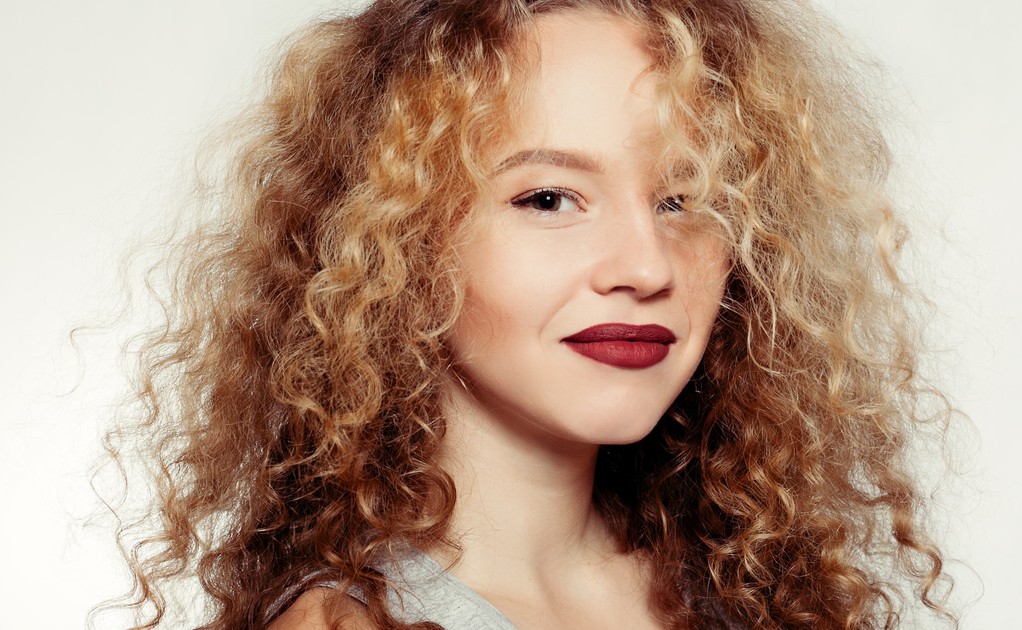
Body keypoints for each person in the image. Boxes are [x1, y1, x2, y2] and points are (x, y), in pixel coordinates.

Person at [103, 0, 956, 628]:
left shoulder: (753, 589)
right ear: (396, 242)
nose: (647, 267)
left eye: (683, 200)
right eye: (548, 198)